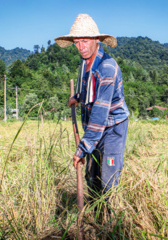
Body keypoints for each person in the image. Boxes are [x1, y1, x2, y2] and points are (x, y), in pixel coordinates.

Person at [55, 14, 129, 202]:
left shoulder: (107, 67)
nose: (81, 47)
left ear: (96, 40)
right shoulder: (85, 63)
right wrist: (77, 97)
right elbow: (89, 91)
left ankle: (110, 224)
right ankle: (94, 215)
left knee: (108, 175)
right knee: (92, 174)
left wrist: (82, 148)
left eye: (85, 41)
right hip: (94, 129)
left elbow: (99, 111)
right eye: (77, 42)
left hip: (112, 129)